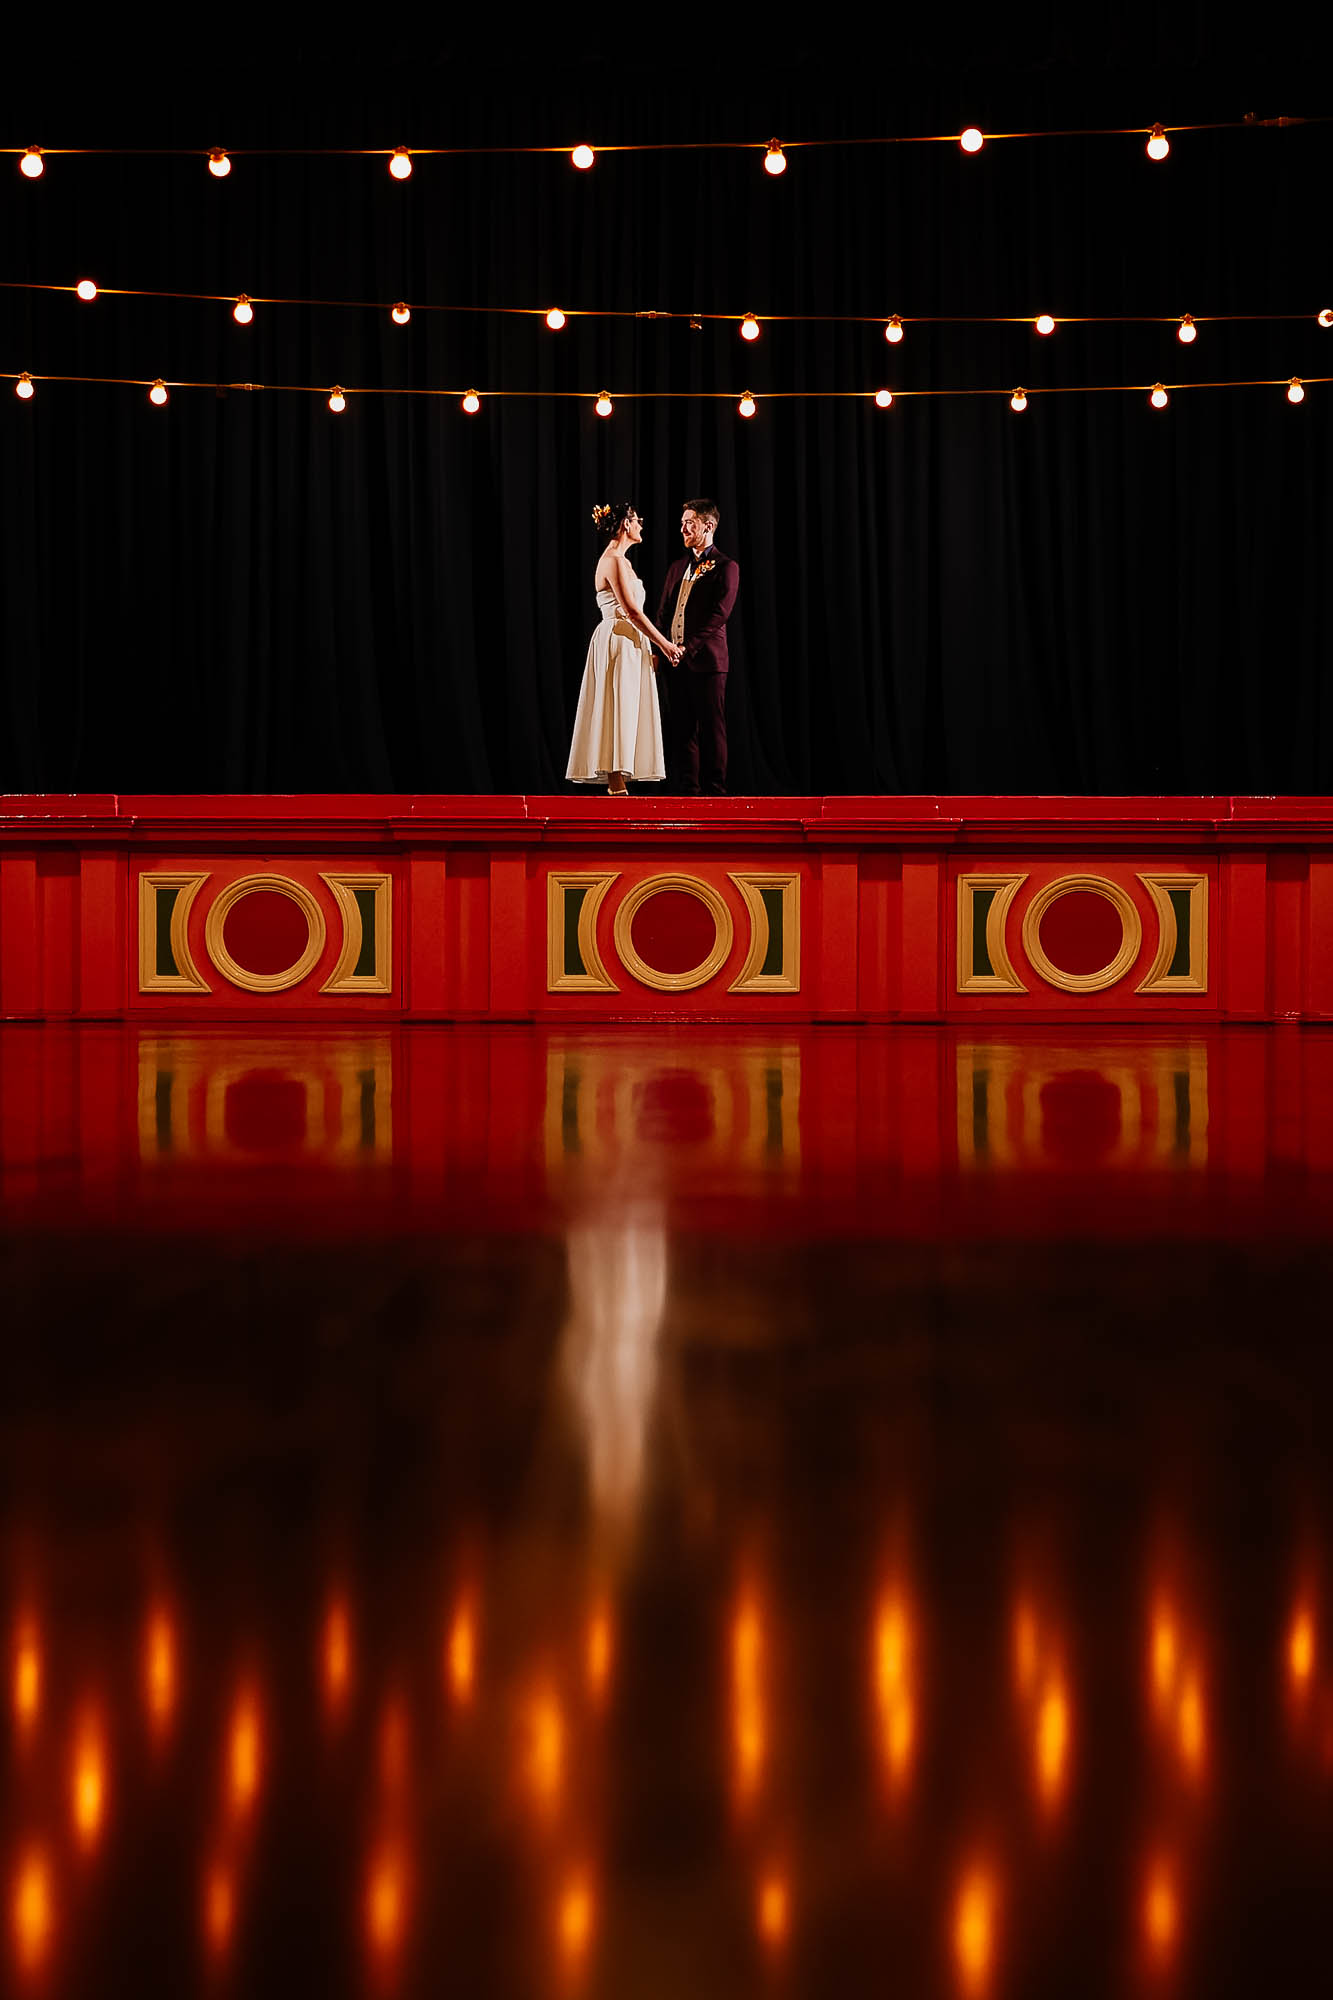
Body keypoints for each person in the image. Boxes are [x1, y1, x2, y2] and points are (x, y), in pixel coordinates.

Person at [567, 502, 681, 795]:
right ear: (625, 525)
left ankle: (620, 780)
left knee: (627, 706)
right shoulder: (614, 560)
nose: (641, 524)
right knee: (615, 705)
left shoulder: (624, 562)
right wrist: (665, 644)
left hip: (630, 641)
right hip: (618, 638)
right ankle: (615, 783)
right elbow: (631, 611)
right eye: (637, 520)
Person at [655, 498, 739, 795]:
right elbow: (664, 612)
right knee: (681, 729)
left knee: (711, 728)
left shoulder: (726, 566)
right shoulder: (678, 567)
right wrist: (660, 648)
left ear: (708, 525)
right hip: (674, 660)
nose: (683, 529)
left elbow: (720, 614)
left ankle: (715, 790)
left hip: (707, 661)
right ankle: (688, 790)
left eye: (689, 523)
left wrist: (687, 648)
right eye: (682, 523)